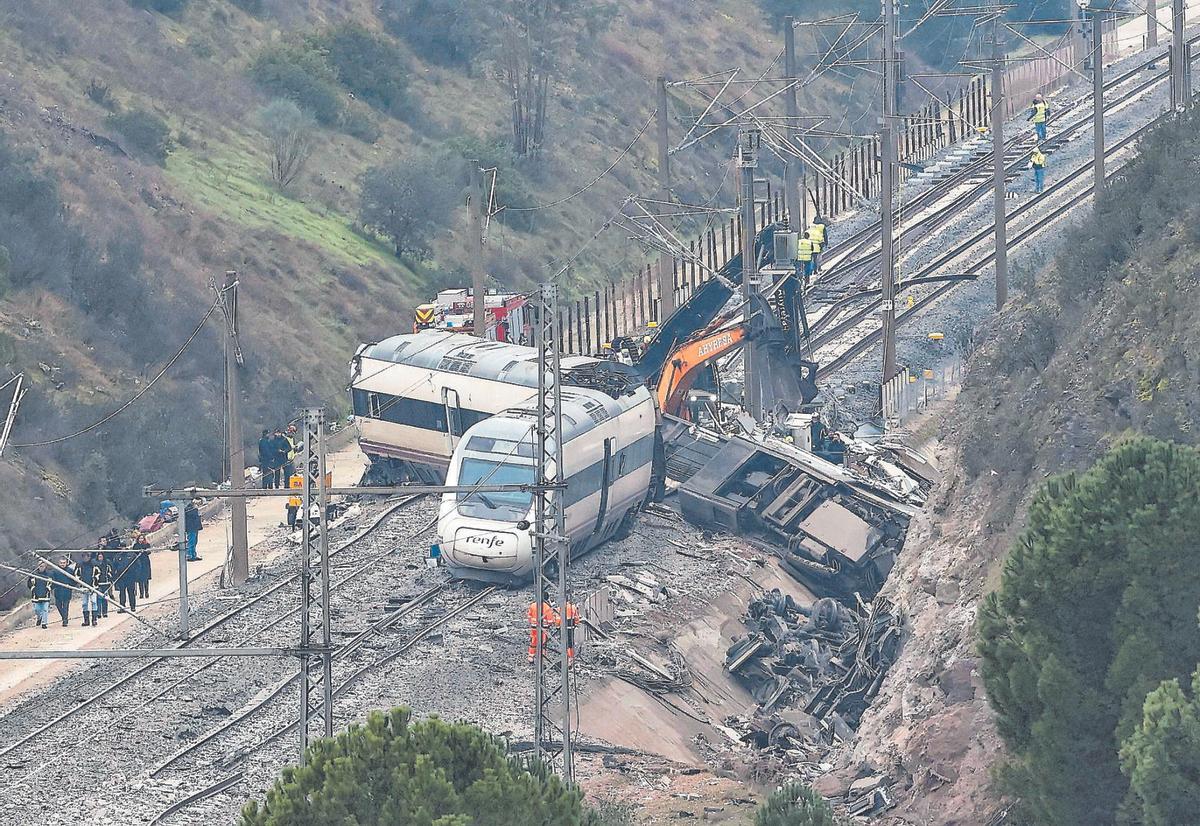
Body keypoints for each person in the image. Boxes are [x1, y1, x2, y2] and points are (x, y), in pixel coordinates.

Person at [76, 552, 99, 627]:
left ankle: (94, 620)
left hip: (93, 587)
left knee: (94, 602)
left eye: (87, 557)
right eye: (84, 557)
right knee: (84, 603)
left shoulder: (94, 565)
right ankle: (86, 620)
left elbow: (98, 574)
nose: (86, 558)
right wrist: (80, 582)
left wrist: (95, 582)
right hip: (84, 588)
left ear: (89, 557)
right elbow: (76, 575)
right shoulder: (79, 565)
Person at [50, 557, 75, 627]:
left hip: (67, 591)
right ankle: (64, 617)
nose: (62, 564)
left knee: (65, 606)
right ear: (59, 563)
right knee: (58, 605)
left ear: (66, 563)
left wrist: (70, 585)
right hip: (58, 591)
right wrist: (52, 587)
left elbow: (74, 580)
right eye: (61, 563)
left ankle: (65, 620)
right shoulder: (55, 571)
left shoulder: (70, 571)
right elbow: (53, 581)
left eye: (64, 563)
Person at [27, 561, 52, 629]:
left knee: (45, 609)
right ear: (38, 566)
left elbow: (52, 583)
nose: (41, 568)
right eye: (40, 566)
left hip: (45, 595)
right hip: (36, 595)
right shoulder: (33, 574)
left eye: (43, 566)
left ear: (45, 566)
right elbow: (29, 583)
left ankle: (44, 623)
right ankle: (39, 617)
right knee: (37, 609)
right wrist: (33, 589)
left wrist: (48, 589)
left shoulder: (49, 574)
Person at [113, 549, 138, 613]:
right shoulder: (117, 556)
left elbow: (138, 565)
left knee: (131, 593)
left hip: (130, 577)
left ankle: (133, 607)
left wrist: (135, 574)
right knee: (122, 592)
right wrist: (116, 576)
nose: (123, 549)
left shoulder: (132, 555)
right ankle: (122, 607)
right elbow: (114, 567)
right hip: (121, 577)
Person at [132, 530, 152, 599]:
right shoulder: (135, 545)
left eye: (142, 538)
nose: (141, 539)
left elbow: (149, 551)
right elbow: (134, 553)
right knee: (140, 579)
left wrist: (145, 551)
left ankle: (147, 592)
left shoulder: (146, 545)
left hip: (145, 562)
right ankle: (141, 593)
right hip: (138, 562)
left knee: (146, 579)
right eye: (140, 538)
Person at [93, 551, 113, 620]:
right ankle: (98, 613)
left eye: (101, 556)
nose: (100, 558)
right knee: (98, 598)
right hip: (98, 583)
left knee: (105, 598)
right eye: (99, 557)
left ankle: (105, 612)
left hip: (105, 583)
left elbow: (110, 573)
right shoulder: (95, 565)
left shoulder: (107, 565)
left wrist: (110, 580)